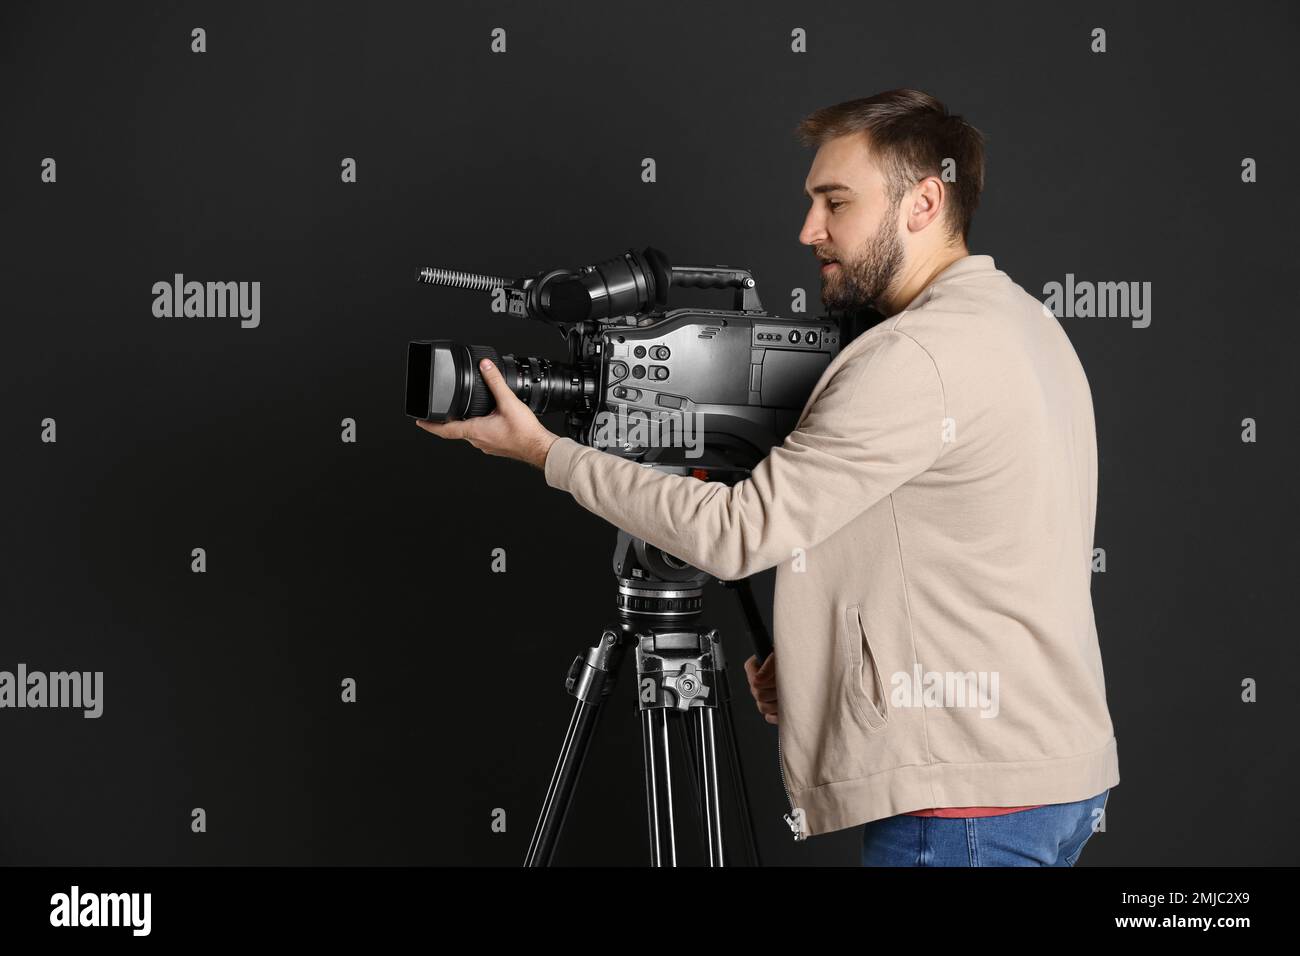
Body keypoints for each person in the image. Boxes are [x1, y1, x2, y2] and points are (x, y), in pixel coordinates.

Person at [416, 89, 1119, 866]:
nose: (809, 230)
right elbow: (960, 545)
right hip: (1049, 774)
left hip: (965, 809)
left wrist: (549, 454)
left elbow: (735, 533)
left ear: (924, 202)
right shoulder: (1023, 321)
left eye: (836, 202)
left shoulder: (913, 356)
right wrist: (831, 665)